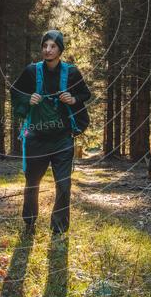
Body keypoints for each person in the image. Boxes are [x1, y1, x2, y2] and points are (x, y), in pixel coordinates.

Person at [10, 29, 91, 235]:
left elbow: (85, 93)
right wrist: (28, 100)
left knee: (63, 186)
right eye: (45, 46)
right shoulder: (31, 71)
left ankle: (59, 228)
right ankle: (29, 223)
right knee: (32, 183)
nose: (48, 50)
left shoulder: (71, 72)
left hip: (62, 139)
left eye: (53, 46)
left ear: (60, 49)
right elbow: (15, 92)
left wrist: (73, 99)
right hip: (36, 138)